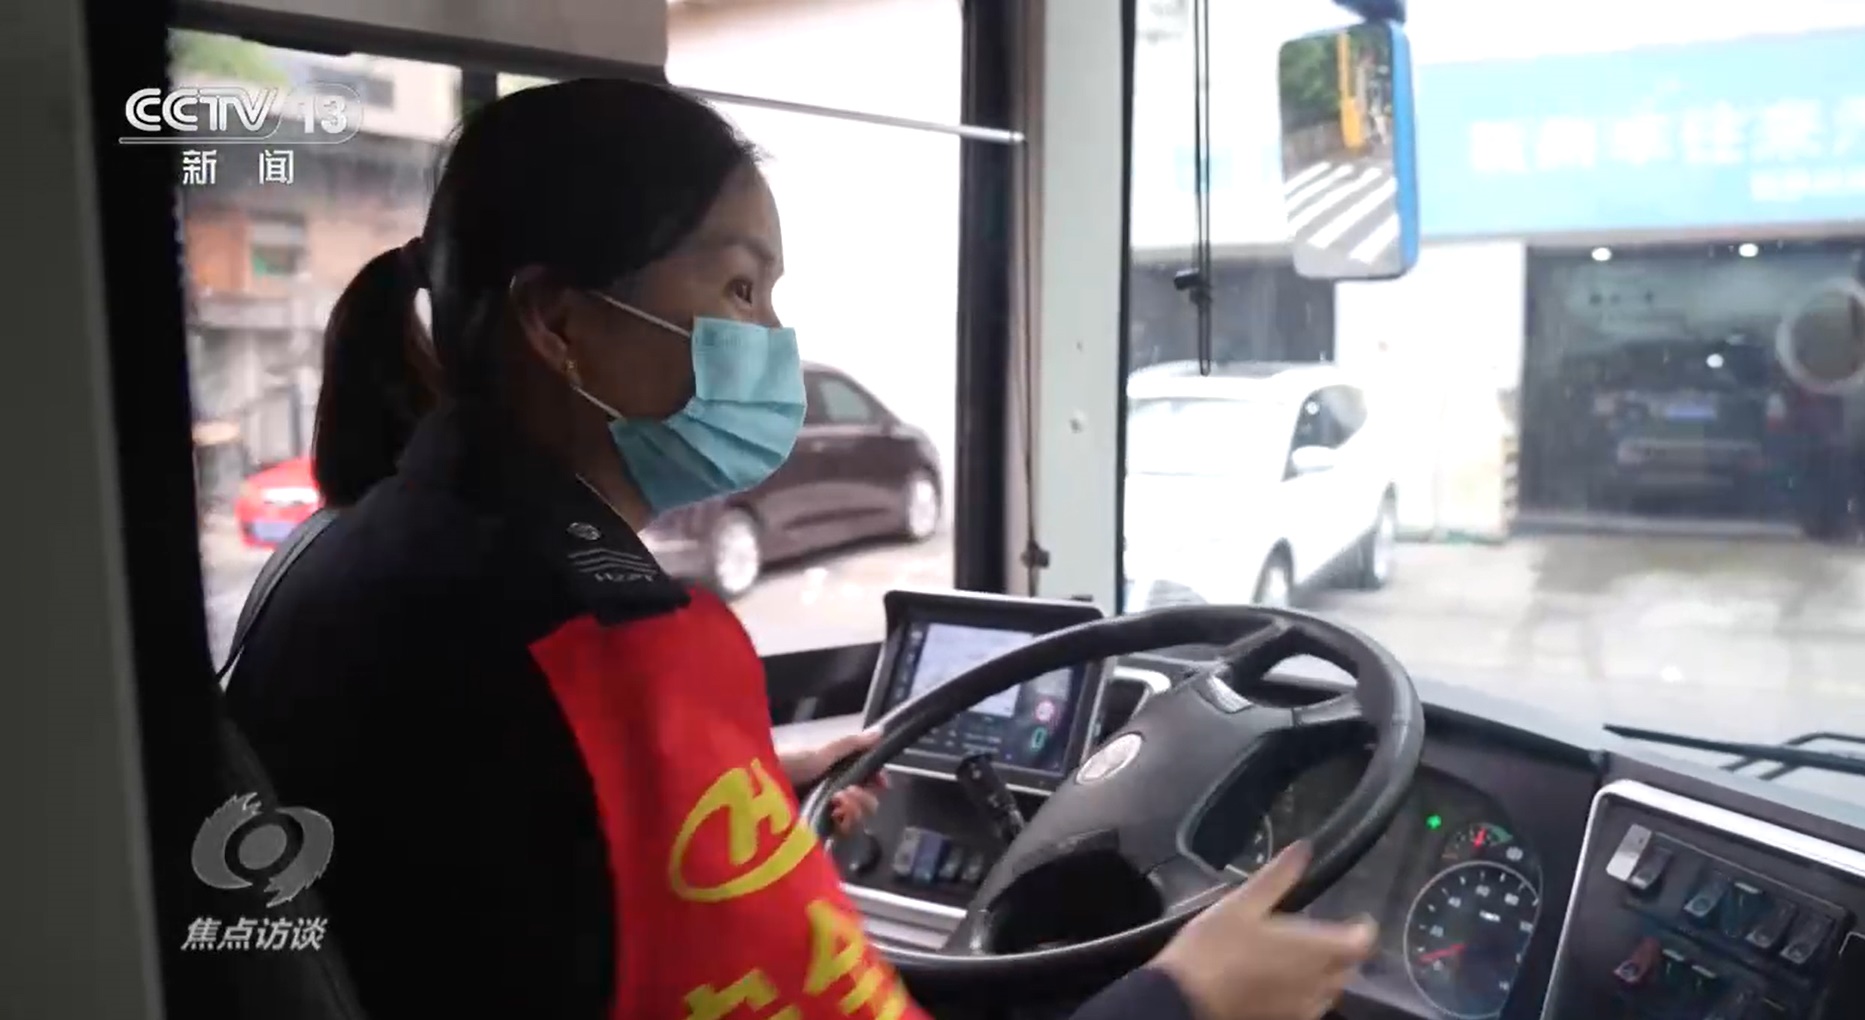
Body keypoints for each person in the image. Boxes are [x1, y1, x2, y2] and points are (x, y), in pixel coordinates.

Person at [225, 78, 1377, 1020]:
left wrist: (721, 804)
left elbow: (509, 859)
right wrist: (1184, 997)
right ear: (560, 324)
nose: (773, 338)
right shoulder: (615, 657)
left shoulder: (344, 556)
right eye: (739, 285)